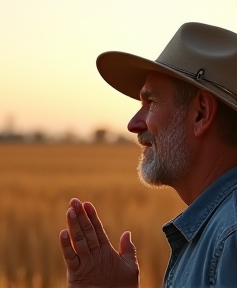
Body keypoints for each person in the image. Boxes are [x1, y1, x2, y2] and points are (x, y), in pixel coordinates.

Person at [59, 22, 237, 288]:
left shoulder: (230, 237)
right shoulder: (217, 231)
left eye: (151, 103)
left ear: (200, 113)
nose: (133, 124)